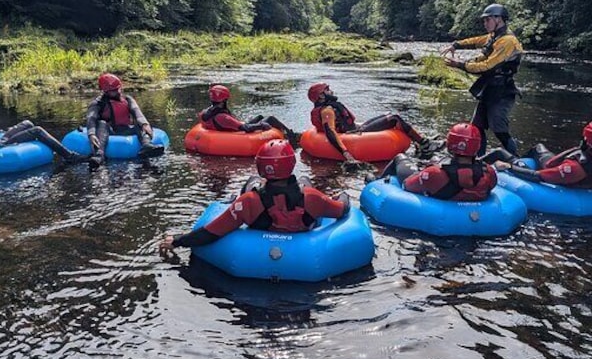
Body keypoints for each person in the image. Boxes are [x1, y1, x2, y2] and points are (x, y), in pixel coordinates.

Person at [159, 140, 350, 255]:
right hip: (304, 239)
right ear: (291, 163)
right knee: (305, 180)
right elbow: (343, 209)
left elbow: (210, 233)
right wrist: (342, 194)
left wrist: (177, 240)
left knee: (252, 182)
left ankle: (237, 196)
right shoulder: (313, 197)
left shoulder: (248, 201)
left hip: (257, 229)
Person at [441, 3, 524, 156]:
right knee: (477, 127)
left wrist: (461, 65)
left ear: (499, 19)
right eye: (484, 20)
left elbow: (488, 66)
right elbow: (476, 40)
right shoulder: (495, 36)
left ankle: (516, 158)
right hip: (490, 88)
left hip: (503, 91)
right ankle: (479, 159)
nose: (485, 23)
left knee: (498, 128)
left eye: (488, 20)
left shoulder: (508, 41)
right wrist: (456, 44)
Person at [307, 82, 443, 168]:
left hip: (354, 129)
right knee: (394, 118)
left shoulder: (326, 108)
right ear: (321, 96)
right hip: (354, 134)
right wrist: (347, 154)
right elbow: (330, 132)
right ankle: (425, 144)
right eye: (327, 90)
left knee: (389, 116)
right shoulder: (327, 111)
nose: (331, 92)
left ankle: (421, 142)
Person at [488, 114, 592, 189]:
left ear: (588, 140)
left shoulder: (575, 169)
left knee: (500, 152)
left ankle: (474, 165)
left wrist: (509, 167)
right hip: (584, 182)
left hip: (559, 176)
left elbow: (537, 175)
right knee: (540, 148)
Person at [370, 123, 497, 202]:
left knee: (400, 157)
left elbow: (408, 185)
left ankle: (377, 180)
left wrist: (424, 170)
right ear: (477, 145)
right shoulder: (489, 171)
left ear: (450, 143)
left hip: (440, 199)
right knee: (435, 159)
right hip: (472, 206)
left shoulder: (436, 173)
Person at [85, 73, 165, 169]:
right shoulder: (97, 103)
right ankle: (99, 155)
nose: (117, 92)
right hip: (108, 132)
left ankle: (146, 145)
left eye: (118, 89)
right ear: (105, 91)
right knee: (102, 123)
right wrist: (91, 134)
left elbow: (137, 112)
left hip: (125, 129)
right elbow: (91, 118)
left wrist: (145, 124)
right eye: (113, 91)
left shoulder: (127, 99)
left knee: (141, 124)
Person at [200, 84, 300, 147]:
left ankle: (287, 134)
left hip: (227, 130)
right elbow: (246, 128)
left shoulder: (205, 112)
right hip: (236, 134)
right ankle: (291, 136)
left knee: (260, 117)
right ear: (224, 99)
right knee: (270, 119)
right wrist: (261, 126)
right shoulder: (223, 117)